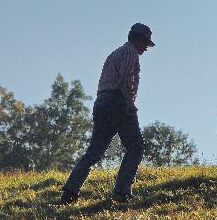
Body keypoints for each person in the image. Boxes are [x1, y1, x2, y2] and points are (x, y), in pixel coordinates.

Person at [59, 23, 155, 205]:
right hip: (118, 101)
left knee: (94, 152)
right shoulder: (130, 53)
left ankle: (69, 192)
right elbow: (126, 79)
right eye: (145, 43)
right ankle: (122, 192)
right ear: (138, 39)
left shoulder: (114, 53)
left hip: (102, 102)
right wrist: (129, 104)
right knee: (136, 146)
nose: (145, 48)